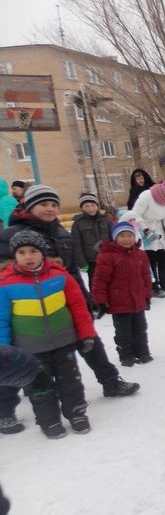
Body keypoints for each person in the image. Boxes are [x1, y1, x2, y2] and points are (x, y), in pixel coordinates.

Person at [0, 185, 139, 435]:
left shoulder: (61, 234)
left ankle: (110, 381)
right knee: (12, 358)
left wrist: (86, 298)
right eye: (44, 204)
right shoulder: (11, 235)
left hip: (62, 303)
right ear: (29, 206)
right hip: (25, 310)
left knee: (90, 341)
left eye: (54, 204)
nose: (50, 208)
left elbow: (72, 271)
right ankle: (5, 411)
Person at [0, 230, 95, 438]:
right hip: (30, 349)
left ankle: (76, 413)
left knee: (70, 381)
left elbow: (78, 306)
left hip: (64, 342)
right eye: (21, 252)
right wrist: (5, 350)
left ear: (43, 253)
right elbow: (2, 320)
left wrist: (86, 334)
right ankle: (49, 420)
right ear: (14, 256)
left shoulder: (59, 275)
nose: (28, 257)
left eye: (33, 251)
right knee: (39, 386)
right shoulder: (6, 283)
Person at [92, 221, 153, 367]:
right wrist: (101, 301)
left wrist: (147, 296)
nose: (127, 239)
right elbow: (100, 281)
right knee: (123, 333)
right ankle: (126, 355)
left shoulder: (140, 255)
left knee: (140, 329)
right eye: (122, 236)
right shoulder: (107, 257)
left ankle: (143, 352)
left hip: (138, 301)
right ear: (115, 238)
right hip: (119, 303)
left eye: (130, 235)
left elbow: (146, 277)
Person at [124, 173, 165, 298]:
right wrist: (146, 230)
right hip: (145, 228)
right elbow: (135, 214)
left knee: (162, 259)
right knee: (150, 260)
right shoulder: (147, 195)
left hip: (159, 230)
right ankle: (154, 287)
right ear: (163, 189)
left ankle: (164, 285)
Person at [71, 192, 112, 291]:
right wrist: (82, 262)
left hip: (107, 259)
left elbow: (113, 238)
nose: (90, 208)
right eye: (86, 206)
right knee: (95, 285)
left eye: (93, 205)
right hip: (91, 261)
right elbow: (76, 245)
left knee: (111, 282)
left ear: (97, 206)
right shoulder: (78, 224)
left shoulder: (105, 221)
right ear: (82, 208)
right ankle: (96, 300)